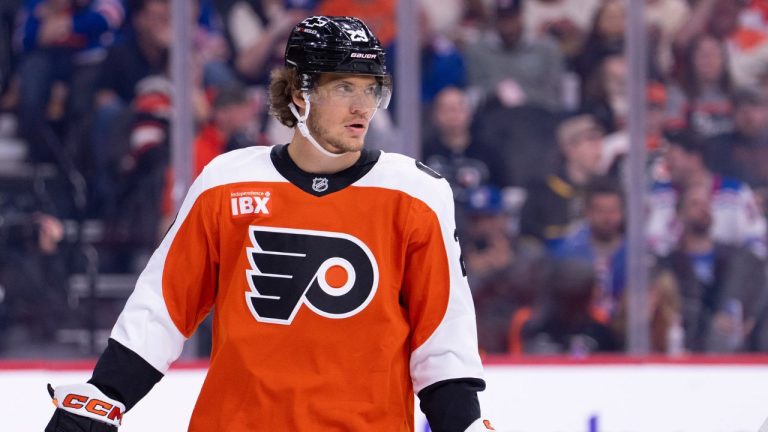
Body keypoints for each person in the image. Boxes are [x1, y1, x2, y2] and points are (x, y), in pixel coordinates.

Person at [45, 16, 491, 432]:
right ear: (300, 93)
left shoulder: (415, 193)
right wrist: (106, 393)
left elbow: (443, 340)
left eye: (372, 89)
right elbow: (164, 305)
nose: (362, 107)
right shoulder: (228, 181)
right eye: (344, 87)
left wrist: (463, 423)